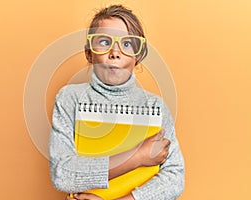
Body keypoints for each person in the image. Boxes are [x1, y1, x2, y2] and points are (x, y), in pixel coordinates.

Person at [49, 5, 185, 200]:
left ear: (137, 56)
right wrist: (138, 157)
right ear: (89, 53)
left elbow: (175, 178)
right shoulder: (69, 98)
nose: (115, 52)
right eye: (104, 42)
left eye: (127, 44)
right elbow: (62, 174)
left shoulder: (156, 107)